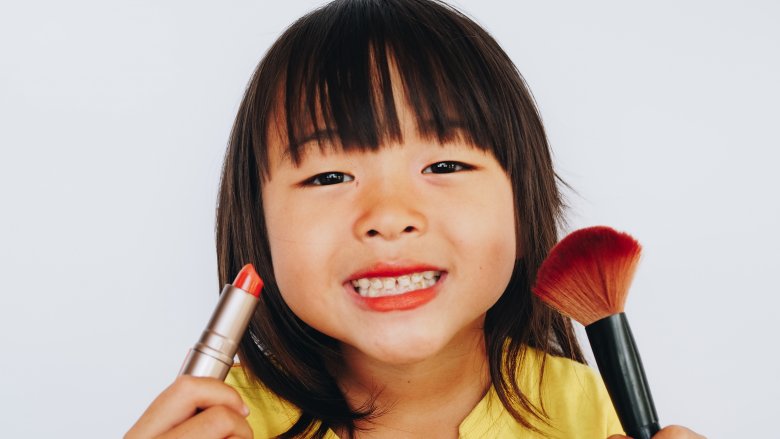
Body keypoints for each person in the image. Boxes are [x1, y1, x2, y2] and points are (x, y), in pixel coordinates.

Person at [127, 0, 705, 438]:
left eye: (445, 163)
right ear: (257, 230)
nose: (389, 217)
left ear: (522, 211)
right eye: (329, 177)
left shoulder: (583, 413)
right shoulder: (226, 424)